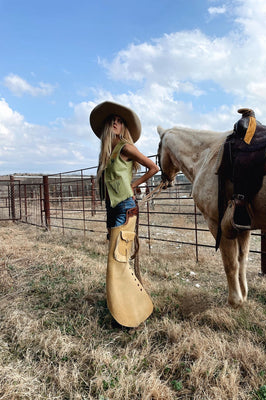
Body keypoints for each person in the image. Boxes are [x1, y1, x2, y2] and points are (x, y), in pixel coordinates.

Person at [90, 101, 159, 328]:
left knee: (116, 259)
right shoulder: (108, 155)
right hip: (113, 209)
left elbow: (153, 167)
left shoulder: (126, 148)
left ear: (123, 127)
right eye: (113, 121)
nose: (116, 124)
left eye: (119, 122)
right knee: (117, 259)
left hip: (125, 208)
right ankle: (126, 308)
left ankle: (128, 314)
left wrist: (134, 184)